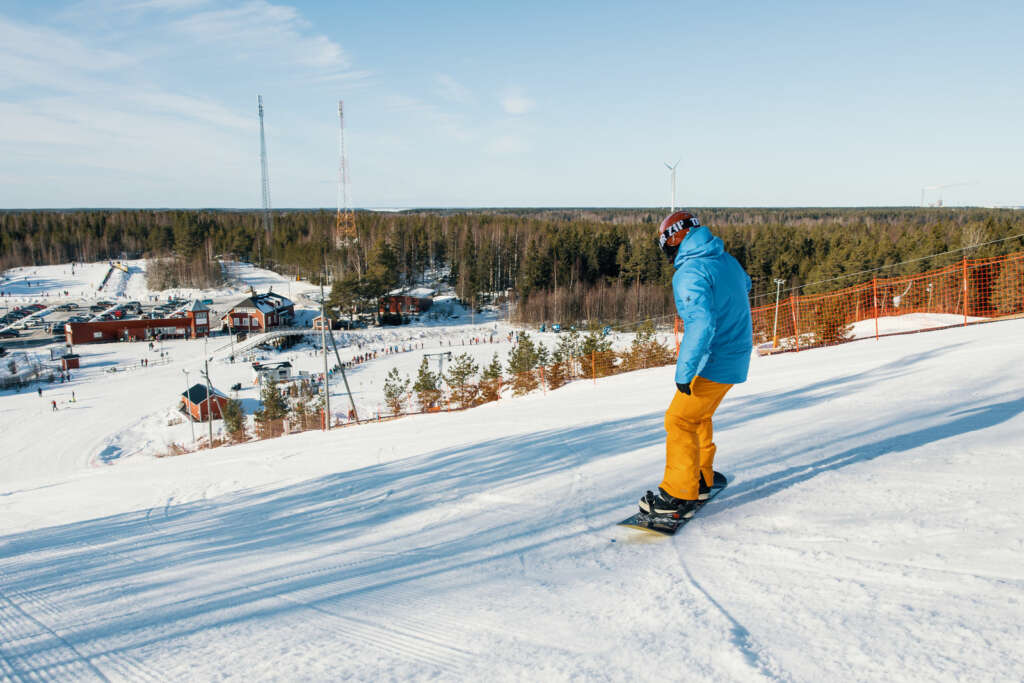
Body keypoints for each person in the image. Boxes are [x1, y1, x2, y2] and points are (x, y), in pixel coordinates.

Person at [639, 211, 753, 519]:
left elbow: (700, 324)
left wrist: (684, 372)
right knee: (698, 416)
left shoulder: (689, 272)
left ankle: (678, 494)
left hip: (715, 360)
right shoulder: (725, 259)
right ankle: (701, 479)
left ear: (672, 241)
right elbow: (746, 284)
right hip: (736, 355)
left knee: (679, 420)